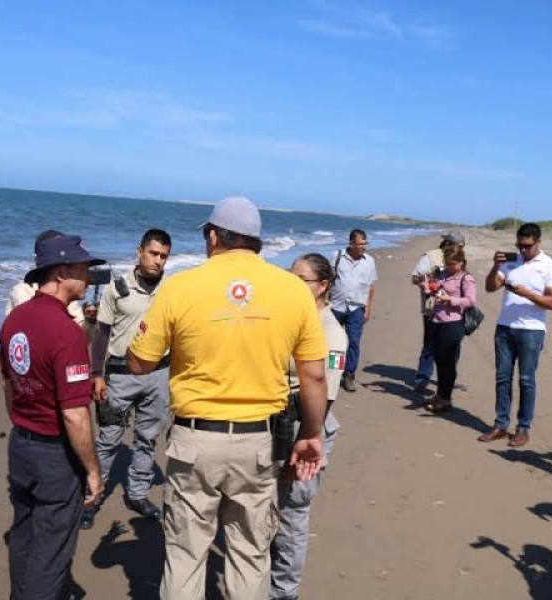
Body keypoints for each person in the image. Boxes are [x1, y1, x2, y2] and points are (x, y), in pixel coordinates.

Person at [125, 196, 328, 600]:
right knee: (251, 554)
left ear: (213, 236)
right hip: (259, 442)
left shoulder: (180, 287)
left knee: (185, 555)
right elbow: (314, 375)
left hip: (194, 442)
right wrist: (312, 432)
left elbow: (138, 364)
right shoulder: (292, 290)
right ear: (257, 242)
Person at [0, 233, 105, 599]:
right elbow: (75, 413)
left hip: (22, 443)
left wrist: (22, 422)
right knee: (52, 551)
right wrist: (92, 470)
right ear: (60, 272)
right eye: (82, 269)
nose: (88, 277)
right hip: (54, 454)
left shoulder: (15, 321)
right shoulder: (65, 331)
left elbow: (9, 386)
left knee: (24, 535)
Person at [81, 229, 173, 529]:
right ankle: (92, 496)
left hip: (158, 374)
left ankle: (137, 494)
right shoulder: (117, 288)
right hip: (120, 375)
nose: (158, 261)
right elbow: (102, 335)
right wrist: (97, 374)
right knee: (108, 440)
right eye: (153, 253)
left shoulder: (172, 289)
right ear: (140, 252)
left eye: (163, 256)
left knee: (147, 439)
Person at [270, 253, 347, 600]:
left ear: (322, 286)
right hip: (279, 426)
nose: (291, 283)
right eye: (290, 275)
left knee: (292, 515)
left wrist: (306, 439)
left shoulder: (331, 334)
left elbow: (324, 397)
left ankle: (284, 591)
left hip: (307, 431)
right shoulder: (292, 320)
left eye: (300, 279)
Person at [479, 222, 552, 447]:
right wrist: (495, 267)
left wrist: (526, 293)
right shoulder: (511, 262)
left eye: (527, 246)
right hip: (505, 328)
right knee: (502, 378)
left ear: (538, 243)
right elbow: (490, 287)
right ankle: (500, 424)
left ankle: (523, 428)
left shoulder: (549, 267)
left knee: (526, 380)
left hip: (531, 331)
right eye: (519, 245)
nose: (523, 251)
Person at [5, 229, 99, 343]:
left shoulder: (67, 295)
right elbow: (40, 334)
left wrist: (90, 321)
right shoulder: (22, 291)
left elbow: (83, 339)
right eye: (83, 269)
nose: (89, 278)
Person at [422, 245, 476, 414]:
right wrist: (428, 288)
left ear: (461, 262)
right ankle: (440, 395)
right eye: (447, 263)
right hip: (436, 320)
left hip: (453, 324)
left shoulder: (467, 278)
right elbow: (435, 289)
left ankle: (446, 399)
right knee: (439, 359)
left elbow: (470, 301)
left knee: (448, 362)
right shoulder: (443, 274)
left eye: (453, 264)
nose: (449, 267)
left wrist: (450, 299)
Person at [410, 231, 465, 393]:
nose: (460, 249)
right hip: (432, 309)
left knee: (453, 346)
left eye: (462, 247)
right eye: (458, 246)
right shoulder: (431, 257)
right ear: (447, 243)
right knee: (430, 344)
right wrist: (427, 280)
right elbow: (415, 277)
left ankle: (449, 378)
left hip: (454, 310)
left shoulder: (459, 257)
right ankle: (422, 377)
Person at [330, 228, 377, 392]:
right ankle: (334, 373)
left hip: (357, 307)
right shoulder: (337, 257)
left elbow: (371, 287)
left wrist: (368, 309)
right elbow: (328, 281)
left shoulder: (369, 261)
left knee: (354, 343)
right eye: (360, 243)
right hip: (336, 306)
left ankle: (349, 375)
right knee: (335, 343)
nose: (364, 246)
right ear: (351, 243)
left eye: (365, 243)